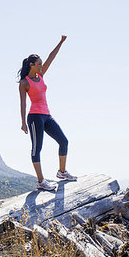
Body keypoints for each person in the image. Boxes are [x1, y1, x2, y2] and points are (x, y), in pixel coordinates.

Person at [18, 35, 77, 191]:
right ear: (31, 65)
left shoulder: (41, 75)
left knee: (64, 141)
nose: (41, 66)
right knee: (37, 148)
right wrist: (23, 122)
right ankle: (41, 181)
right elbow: (23, 103)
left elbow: (52, 57)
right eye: (39, 64)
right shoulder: (24, 83)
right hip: (34, 117)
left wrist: (61, 42)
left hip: (47, 115)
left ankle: (62, 172)